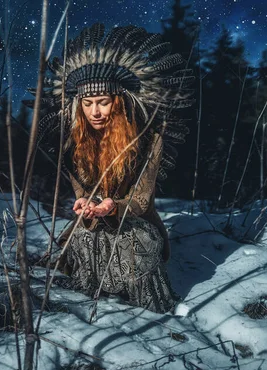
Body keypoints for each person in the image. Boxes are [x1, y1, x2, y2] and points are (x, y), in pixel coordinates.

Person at [37, 23, 193, 313]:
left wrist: (113, 206)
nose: (95, 111)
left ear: (117, 102)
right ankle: (91, 292)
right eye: (87, 103)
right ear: (78, 105)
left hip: (134, 219)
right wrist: (85, 202)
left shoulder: (147, 140)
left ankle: (143, 303)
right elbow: (82, 190)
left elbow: (143, 199)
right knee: (83, 236)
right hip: (96, 219)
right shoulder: (74, 146)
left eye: (103, 102)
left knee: (136, 242)